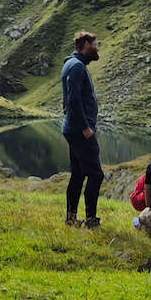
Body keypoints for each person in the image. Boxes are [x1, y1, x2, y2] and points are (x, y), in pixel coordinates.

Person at [62, 32, 104, 228]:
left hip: (73, 128)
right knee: (96, 174)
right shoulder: (77, 66)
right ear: (86, 44)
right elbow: (73, 100)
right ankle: (91, 220)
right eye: (95, 44)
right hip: (80, 130)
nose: (97, 47)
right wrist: (85, 127)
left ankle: (71, 219)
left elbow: (69, 100)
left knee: (78, 174)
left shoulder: (73, 64)